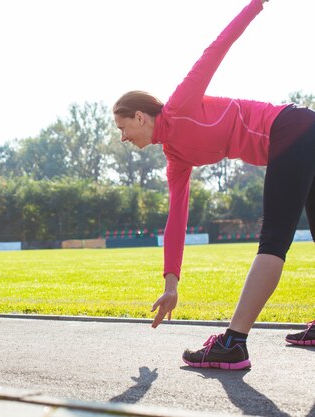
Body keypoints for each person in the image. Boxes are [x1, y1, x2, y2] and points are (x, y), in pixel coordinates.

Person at [113, 0, 315, 369]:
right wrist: (171, 285)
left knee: (272, 241)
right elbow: (176, 221)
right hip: (300, 136)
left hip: (291, 129)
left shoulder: (181, 104)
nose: (123, 137)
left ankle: (233, 343)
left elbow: (218, 46)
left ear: (140, 116)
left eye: (123, 128)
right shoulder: (175, 158)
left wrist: (256, 3)